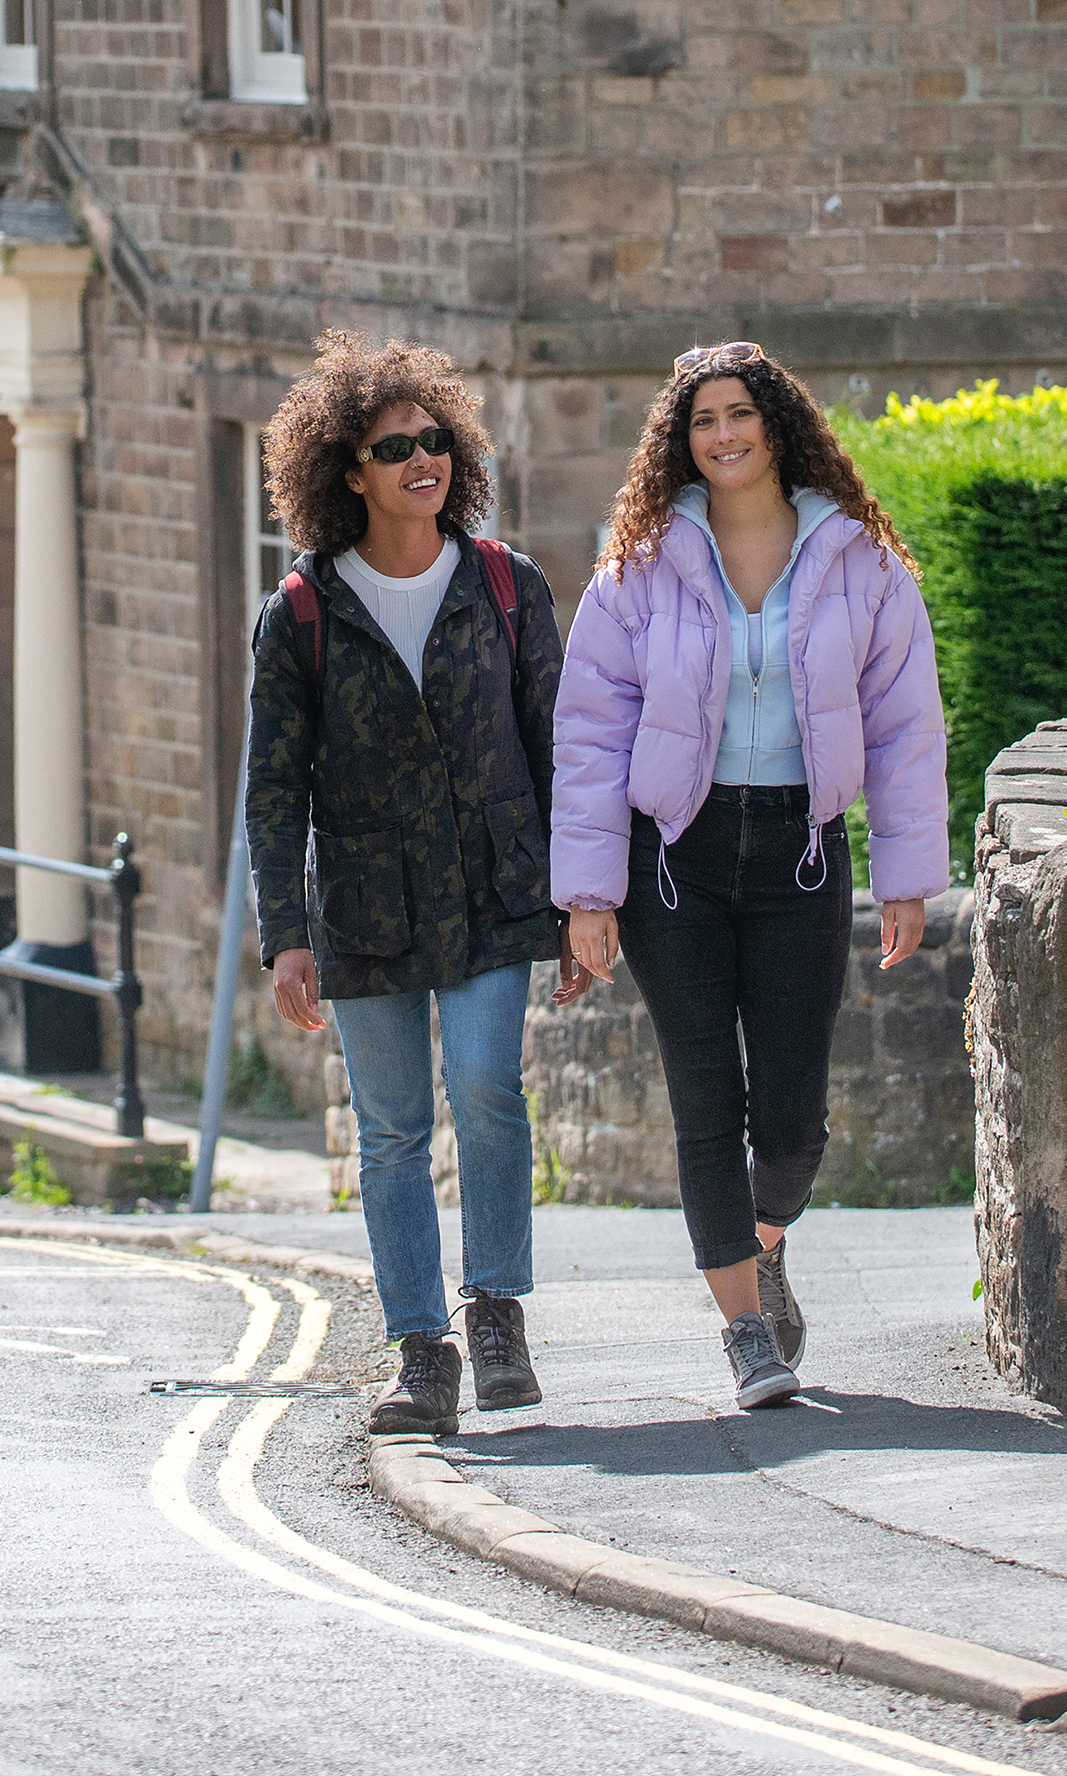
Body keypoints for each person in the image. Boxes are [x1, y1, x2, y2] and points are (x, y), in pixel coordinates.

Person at [552, 340, 950, 1410]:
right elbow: (590, 734)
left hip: (800, 855)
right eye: (701, 423)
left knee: (791, 1118)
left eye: (738, 415)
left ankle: (763, 1242)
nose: (722, 437)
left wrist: (907, 876)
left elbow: (905, 727)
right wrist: (589, 895)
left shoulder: (857, 558)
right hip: (670, 862)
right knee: (702, 1101)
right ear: (679, 444)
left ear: (776, 424)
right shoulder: (637, 566)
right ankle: (744, 1336)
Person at [244, 331, 567, 1439]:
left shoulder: (506, 586)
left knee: (486, 1091)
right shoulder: (299, 613)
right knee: (388, 1131)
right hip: (367, 909)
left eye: (434, 442)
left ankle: (495, 1314)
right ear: (348, 471)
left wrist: (580, 901)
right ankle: (420, 1352)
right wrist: (284, 933)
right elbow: (273, 788)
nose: (420, 461)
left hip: (493, 889)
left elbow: (556, 749)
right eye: (394, 449)